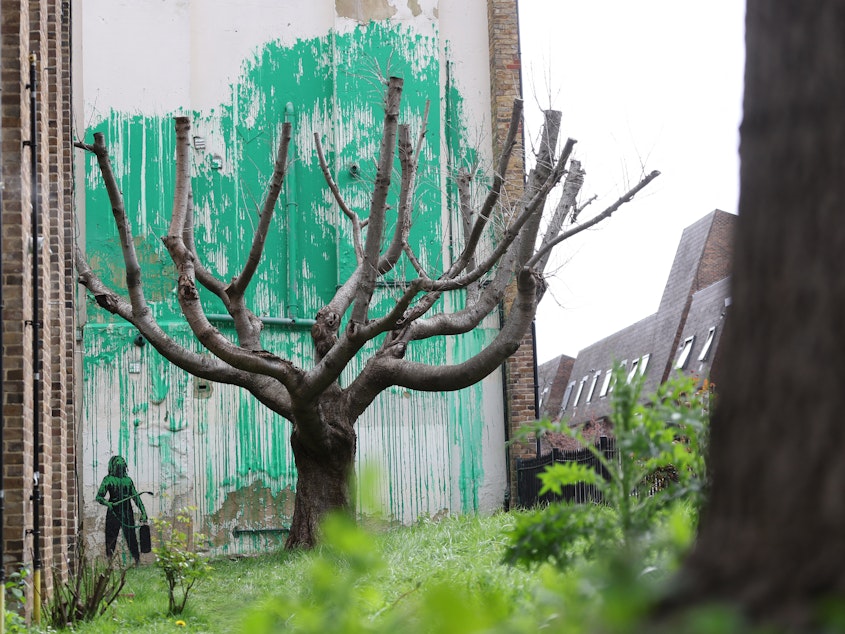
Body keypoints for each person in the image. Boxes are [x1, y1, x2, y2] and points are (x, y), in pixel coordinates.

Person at [96, 455, 147, 564]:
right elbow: (99, 497)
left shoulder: (128, 481)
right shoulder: (108, 479)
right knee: (111, 538)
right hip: (113, 511)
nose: (120, 463)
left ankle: (137, 560)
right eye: (117, 462)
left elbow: (136, 497)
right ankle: (109, 562)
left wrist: (143, 512)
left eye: (122, 462)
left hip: (127, 512)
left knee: (131, 537)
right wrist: (107, 503)